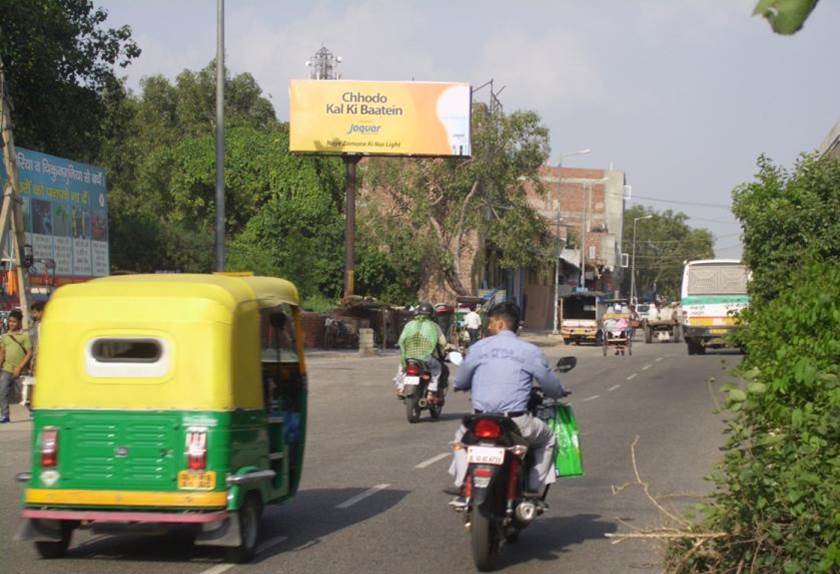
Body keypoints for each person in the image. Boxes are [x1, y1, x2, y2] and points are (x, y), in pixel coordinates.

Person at [447, 301, 567, 505]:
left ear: (501, 324)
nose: (489, 327)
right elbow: (549, 384)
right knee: (548, 439)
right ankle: (533, 490)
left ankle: (462, 484)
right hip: (516, 423)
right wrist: (558, 392)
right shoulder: (529, 350)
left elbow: (460, 381)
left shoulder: (479, 347)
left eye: (491, 322)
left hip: (479, 420)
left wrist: (464, 385)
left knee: (460, 441)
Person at [396, 303, 448, 396]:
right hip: (426, 357)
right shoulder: (434, 326)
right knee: (437, 368)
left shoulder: (409, 324)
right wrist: (449, 347)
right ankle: (431, 392)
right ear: (432, 314)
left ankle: (400, 388)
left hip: (408, 357)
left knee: (402, 367)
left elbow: (401, 340)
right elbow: (443, 343)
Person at [0, 310, 33, 423]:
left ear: (19, 322)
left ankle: (32, 411)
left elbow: (29, 353)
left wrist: (20, 367)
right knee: (2, 391)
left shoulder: (24, 336)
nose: (11, 324)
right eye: (10, 321)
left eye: (14, 321)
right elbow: (2, 353)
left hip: (20, 370)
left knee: (23, 395)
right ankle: (5, 415)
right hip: (7, 369)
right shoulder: (5, 336)